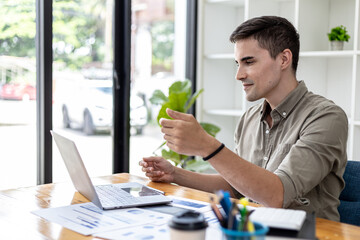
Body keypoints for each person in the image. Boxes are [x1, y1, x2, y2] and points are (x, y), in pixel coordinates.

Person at [139, 16, 348, 221]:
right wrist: (175, 174)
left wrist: (207, 146)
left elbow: (277, 195)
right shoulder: (250, 117)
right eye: (237, 63)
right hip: (252, 231)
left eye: (248, 62)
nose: (238, 74)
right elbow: (236, 187)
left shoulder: (326, 117)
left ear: (284, 59)